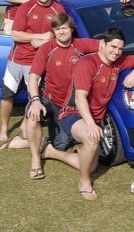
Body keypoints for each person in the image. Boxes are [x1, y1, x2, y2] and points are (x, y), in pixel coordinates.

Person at [58, 27, 134, 200]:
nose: (116, 52)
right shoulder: (87, 63)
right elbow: (79, 98)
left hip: (94, 118)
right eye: (113, 47)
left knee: (91, 165)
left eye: (120, 49)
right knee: (92, 139)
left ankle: (51, 152)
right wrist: (91, 125)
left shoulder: (118, 62)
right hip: (74, 113)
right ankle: (84, 182)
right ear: (102, 44)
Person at [25, 13, 100, 180]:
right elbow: (33, 77)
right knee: (32, 114)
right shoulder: (47, 48)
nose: (61, 32)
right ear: (53, 32)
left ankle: (40, 143)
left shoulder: (81, 45)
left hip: (67, 106)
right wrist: (35, 101)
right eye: (57, 29)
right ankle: (35, 160)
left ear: (71, 29)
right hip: (48, 98)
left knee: (61, 144)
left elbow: (106, 46)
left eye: (64, 28)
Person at [0, 0, 65, 143]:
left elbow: (61, 35)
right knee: (7, 95)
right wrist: (39, 37)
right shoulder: (26, 7)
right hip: (17, 60)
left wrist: (42, 42)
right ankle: (4, 129)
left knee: (34, 97)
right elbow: (15, 34)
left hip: (37, 63)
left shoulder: (58, 10)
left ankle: (26, 125)